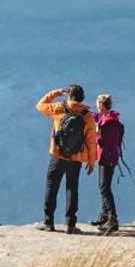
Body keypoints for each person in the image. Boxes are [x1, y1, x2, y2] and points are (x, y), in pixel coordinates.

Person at [36, 83, 99, 234]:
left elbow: (40, 105)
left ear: (69, 96)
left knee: (52, 186)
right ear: (82, 97)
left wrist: (56, 92)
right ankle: (70, 225)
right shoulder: (87, 115)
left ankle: (48, 222)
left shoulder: (58, 108)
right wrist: (91, 161)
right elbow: (91, 140)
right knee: (72, 188)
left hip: (58, 154)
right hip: (76, 157)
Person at [91, 93, 124, 234]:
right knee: (104, 186)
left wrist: (96, 134)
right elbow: (96, 116)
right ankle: (105, 216)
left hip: (107, 158)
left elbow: (105, 141)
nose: (97, 107)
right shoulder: (107, 117)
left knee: (104, 187)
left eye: (98, 105)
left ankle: (112, 218)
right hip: (108, 157)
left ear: (102, 105)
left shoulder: (109, 123)